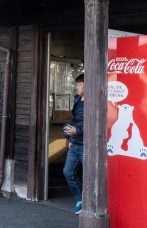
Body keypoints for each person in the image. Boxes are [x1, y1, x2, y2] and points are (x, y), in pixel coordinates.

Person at [62, 74, 85, 214]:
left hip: (86, 145)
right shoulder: (77, 99)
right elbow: (75, 120)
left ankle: (92, 204)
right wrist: (70, 138)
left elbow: (97, 124)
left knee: (90, 176)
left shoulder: (94, 101)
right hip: (75, 143)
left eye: (80, 84)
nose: (77, 87)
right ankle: (81, 200)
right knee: (68, 172)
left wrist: (78, 131)